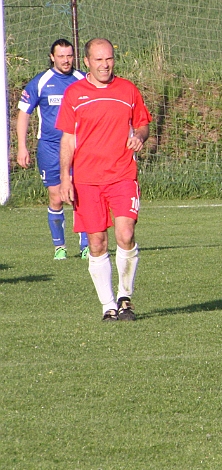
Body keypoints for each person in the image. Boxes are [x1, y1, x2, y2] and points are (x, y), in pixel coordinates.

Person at [56, 38, 151, 321]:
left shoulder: (128, 89)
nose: (105, 65)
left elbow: (143, 124)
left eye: (109, 58)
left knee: (126, 234)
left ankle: (125, 297)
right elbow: (68, 139)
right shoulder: (74, 94)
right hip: (86, 180)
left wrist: (139, 136)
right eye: (98, 59)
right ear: (87, 62)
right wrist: (65, 178)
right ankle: (108, 305)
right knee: (96, 243)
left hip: (122, 174)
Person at [15, 39, 88, 260]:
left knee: (81, 196)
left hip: (79, 147)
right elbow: (24, 114)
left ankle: (86, 246)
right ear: (52, 57)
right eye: (61, 56)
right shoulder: (40, 82)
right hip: (50, 148)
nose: (66, 60)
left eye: (69, 56)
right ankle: (60, 247)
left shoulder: (83, 80)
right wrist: (22, 147)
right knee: (56, 197)